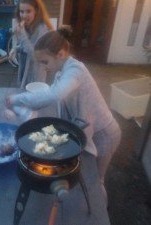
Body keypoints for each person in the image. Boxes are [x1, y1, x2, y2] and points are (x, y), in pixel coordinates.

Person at [7, 27, 121, 203]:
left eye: (45, 62)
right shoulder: (62, 71)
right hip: (89, 128)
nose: (44, 68)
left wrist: (18, 98)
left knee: (96, 180)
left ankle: (100, 214)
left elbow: (55, 94)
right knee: (89, 176)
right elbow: (52, 93)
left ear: (60, 54)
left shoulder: (76, 70)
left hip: (104, 133)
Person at [8, 0, 53, 88]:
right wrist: (16, 49)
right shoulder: (28, 26)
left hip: (36, 75)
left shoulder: (42, 29)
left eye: (28, 11)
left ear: (36, 11)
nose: (24, 16)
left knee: (34, 98)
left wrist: (22, 35)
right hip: (25, 71)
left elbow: (35, 55)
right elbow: (25, 46)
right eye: (22, 12)